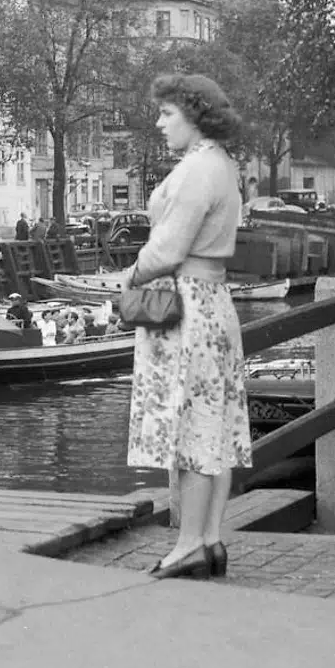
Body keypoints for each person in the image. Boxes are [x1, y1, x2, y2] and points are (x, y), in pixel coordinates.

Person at [122, 72, 252, 581]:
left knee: (190, 424)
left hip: (187, 307)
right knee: (214, 424)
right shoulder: (224, 166)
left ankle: (187, 544)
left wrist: (129, 275)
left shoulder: (198, 170)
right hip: (214, 301)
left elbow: (168, 249)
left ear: (193, 116)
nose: (159, 123)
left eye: (167, 114)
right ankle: (211, 538)